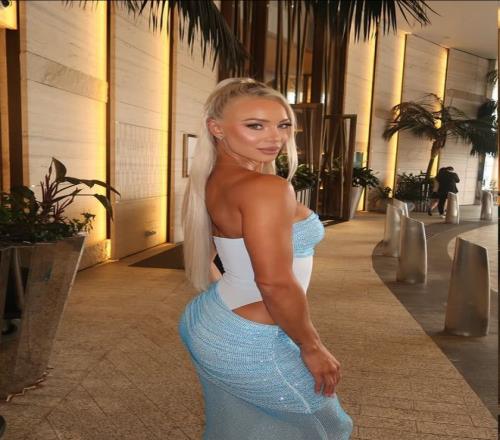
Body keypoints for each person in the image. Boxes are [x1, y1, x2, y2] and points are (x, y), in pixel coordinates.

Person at [178, 78, 353, 439]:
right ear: (216, 128)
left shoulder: (213, 178)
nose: (275, 137)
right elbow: (274, 282)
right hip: (248, 339)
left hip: (213, 315)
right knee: (328, 428)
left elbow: (214, 251)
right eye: (255, 125)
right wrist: (311, 346)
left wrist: (234, 296)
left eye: (283, 125)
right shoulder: (266, 188)